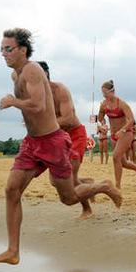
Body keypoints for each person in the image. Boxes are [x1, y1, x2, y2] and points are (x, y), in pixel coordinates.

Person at [0, 28, 122, 265]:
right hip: (31, 143)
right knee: (11, 190)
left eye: (8, 49)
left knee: (68, 197)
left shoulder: (33, 69)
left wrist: (13, 102)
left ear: (22, 50)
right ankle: (12, 251)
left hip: (52, 141)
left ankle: (103, 186)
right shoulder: (16, 75)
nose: (3, 54)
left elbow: (38, 105)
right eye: (1, 49)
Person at [38, 61, 95, 219]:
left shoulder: (59, 90)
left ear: (46, 74)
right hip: (57, 139)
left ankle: (87, 209)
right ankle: (88, 185)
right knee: (54, 181)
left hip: (75, 135)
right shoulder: (37, 96)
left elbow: (69, 118)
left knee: (68, 179)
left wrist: (45, 124)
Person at [98, 80, 136, 189]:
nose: (104, 95)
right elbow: (100, 118)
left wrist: (123, 130)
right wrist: (102, 125)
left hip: (126, 133)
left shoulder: (122, 104)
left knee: (115, 157)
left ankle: (117, 186)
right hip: (114, 135)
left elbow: (131, 120)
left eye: (106, 93)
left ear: (112, 91)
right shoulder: (104, 105)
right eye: (103, 93)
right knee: (122, 162)